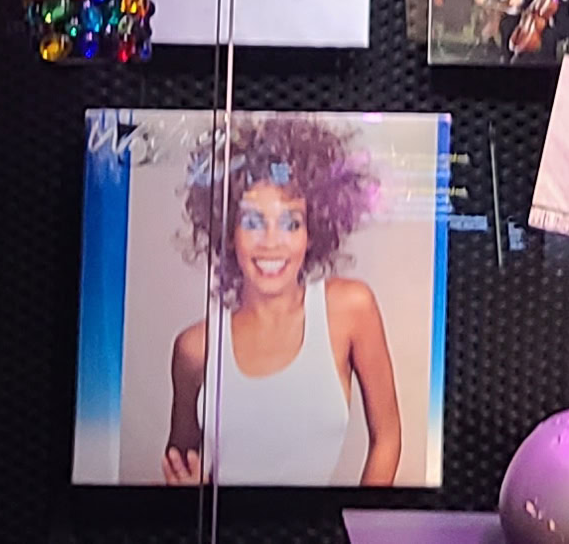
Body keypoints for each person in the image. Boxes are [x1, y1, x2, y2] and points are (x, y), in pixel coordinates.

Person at [160, 118, 404, 485]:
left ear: (312, 232)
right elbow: (182, 468)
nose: (271, 242)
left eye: (291, 223)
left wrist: (354, 517)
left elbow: (388, 438)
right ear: (228, 233)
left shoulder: (350, 309)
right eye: (252, 222)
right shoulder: (195, 348)